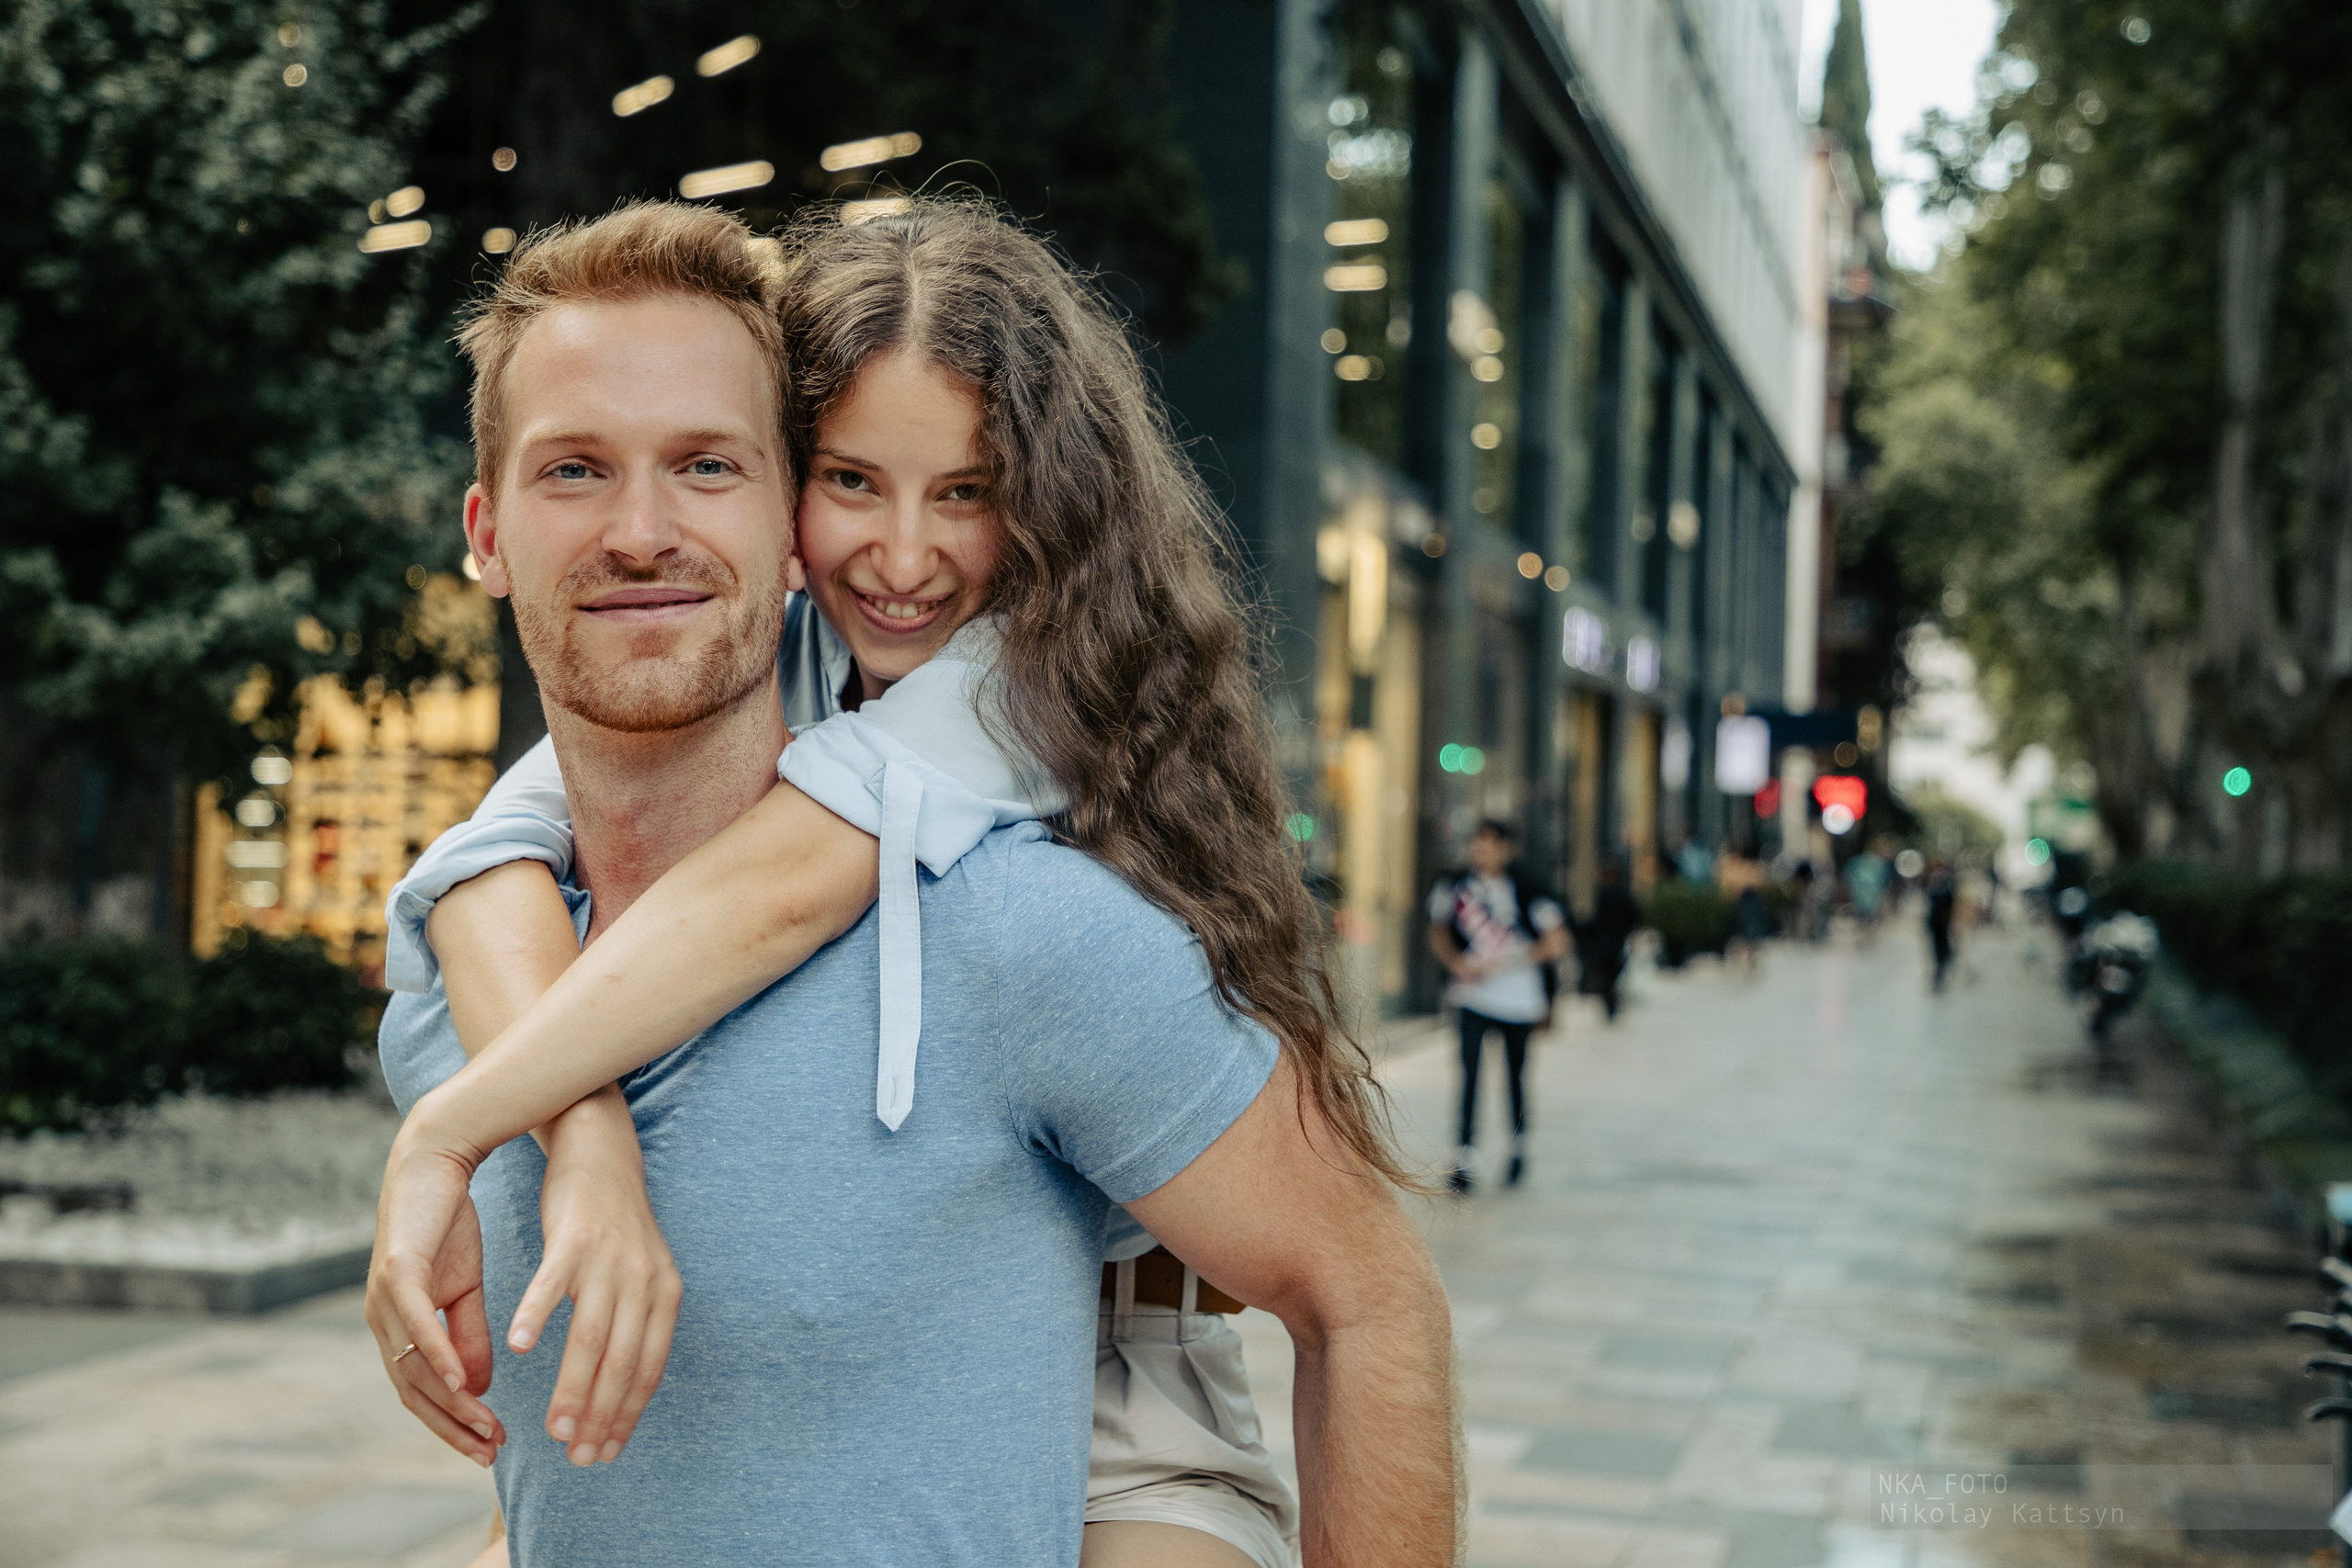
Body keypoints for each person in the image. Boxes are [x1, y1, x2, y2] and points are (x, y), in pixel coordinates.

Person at [366, 200, 1455, 1566]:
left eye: (705, 464)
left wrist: (452, 1131)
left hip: (1140, 1396)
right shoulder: (495, 926)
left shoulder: (1017, 776)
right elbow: (495, 845)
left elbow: (787, 885)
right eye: (575, 470)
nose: (901, 557)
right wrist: (567, 1128)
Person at [1426, 818, 1567, 1193]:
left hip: (1518, 999)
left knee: (1515, 1073)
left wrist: (1507, 962)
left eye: (1490, 845)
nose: (1482, 852)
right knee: (1469, 1072)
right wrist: (1458, 963)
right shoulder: (1454, 886)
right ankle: (1464, 1155)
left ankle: (1518, 1147)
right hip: (1471, 995)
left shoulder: (1530, 889)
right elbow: (1437, 931)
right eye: (1478, 844)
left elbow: (1557, 942)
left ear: (1506, 849)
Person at [1572, 857, 1642, 1022]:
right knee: (1610, 975)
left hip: (1605, 942)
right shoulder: (1620, 895)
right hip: (1614, 942)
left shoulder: (1603, 895)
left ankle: (1608, 1002)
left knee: (1606, 974)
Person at [1925, 854, 1960, 993]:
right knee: (1938, 946)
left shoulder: (1946, 883)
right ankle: (1942, 964)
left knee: (1942, 944)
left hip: (1942, 920)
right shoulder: (1935, 882)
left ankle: (1943, 964)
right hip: (1936, 920)